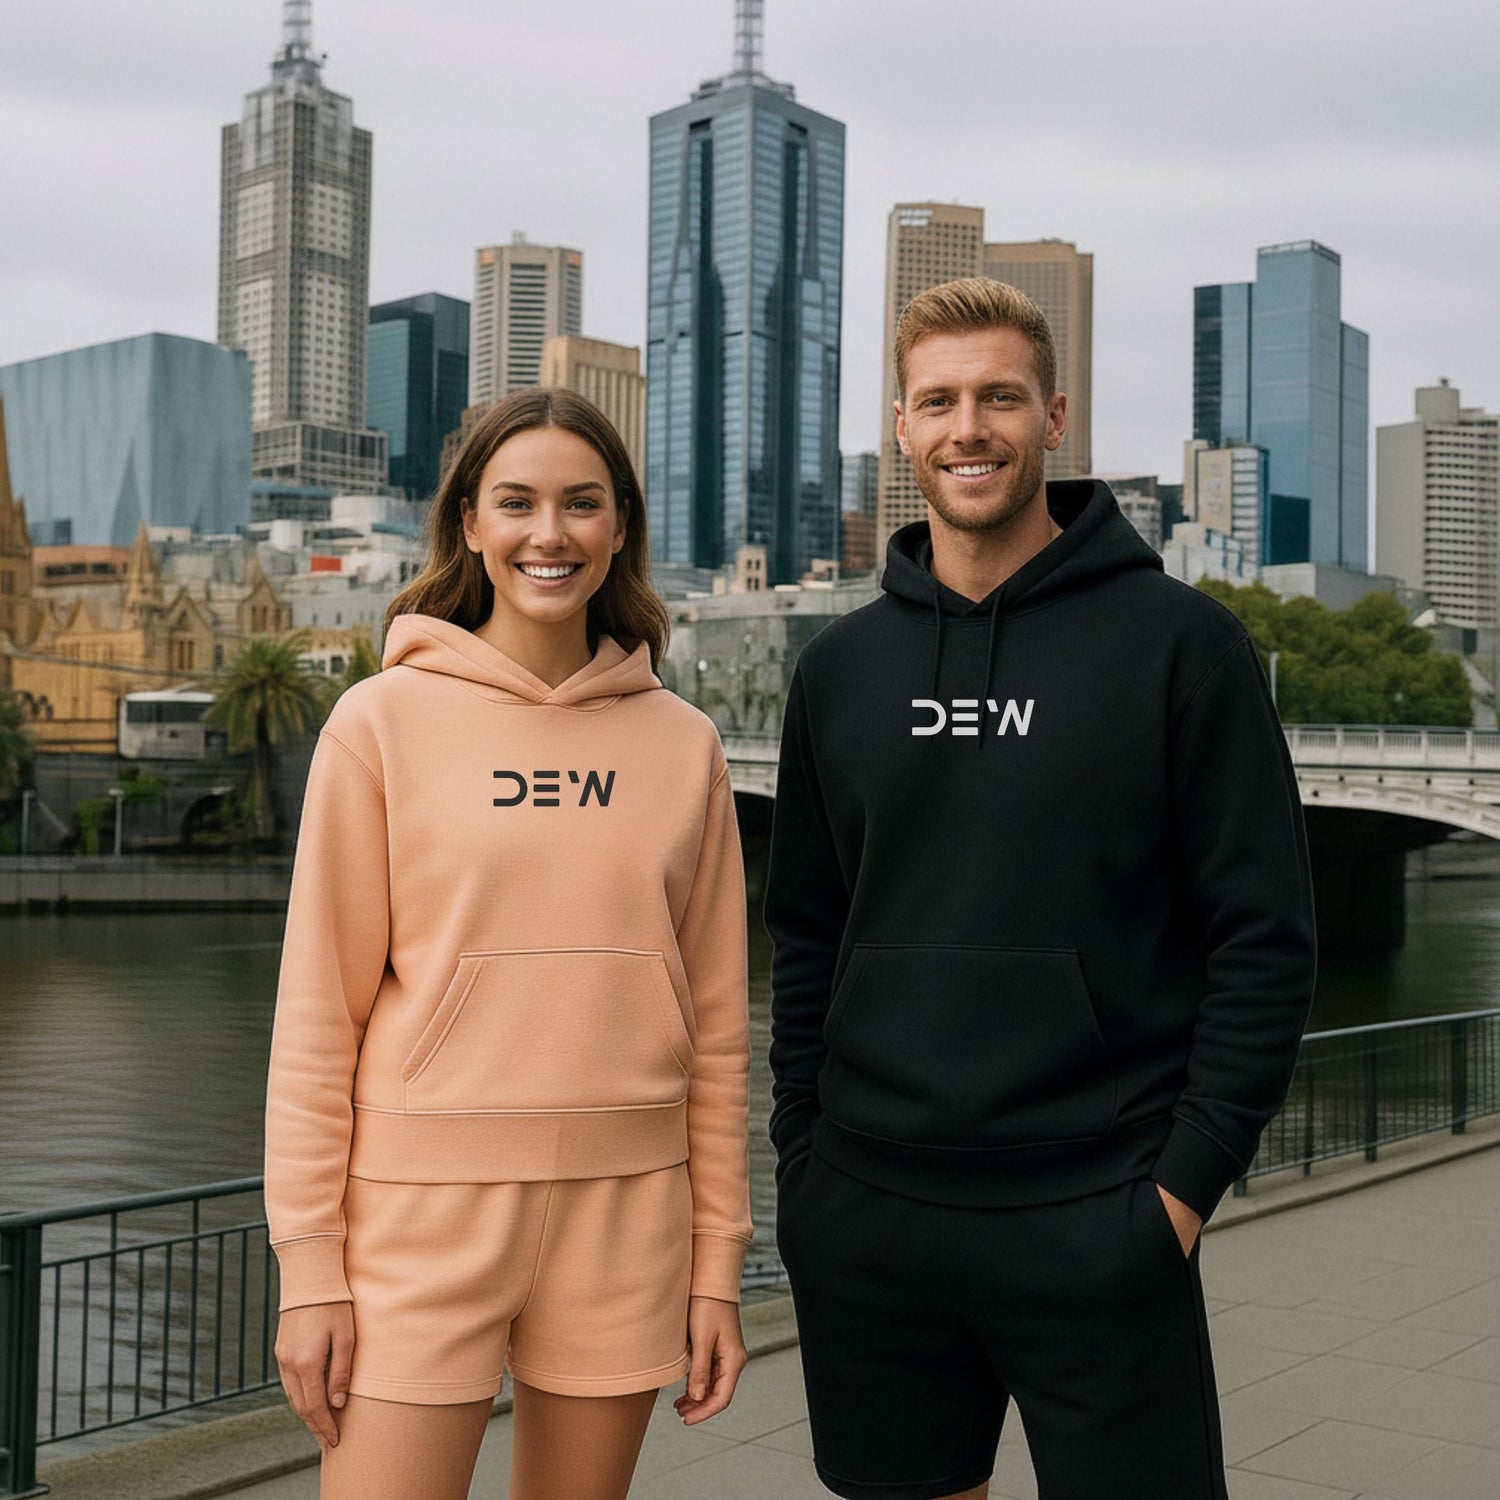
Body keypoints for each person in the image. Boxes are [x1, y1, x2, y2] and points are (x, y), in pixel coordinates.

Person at [766, 278, 1316, 1500]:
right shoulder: (841, 672)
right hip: (867, 1218)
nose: (971, 427)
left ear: (1054, 416)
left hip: (1103, 1213)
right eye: (940, 401)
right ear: (900, 429)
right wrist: (803, 1161)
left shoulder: (1184, 646)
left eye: (1000, 397)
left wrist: (1177, 1195)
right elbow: (806, 931)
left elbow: (1265, 941)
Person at [266, 388, 752, 1500]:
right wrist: (310, 1272)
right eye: (518, 503)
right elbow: (314, 1019)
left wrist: (716, 1268)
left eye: (582, 504)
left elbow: (720, 1032)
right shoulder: (379, 723)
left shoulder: (685, 746)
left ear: (619, 524)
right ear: (471, 525)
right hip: (415, 1220)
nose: (551, 534)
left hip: (626, 1218)